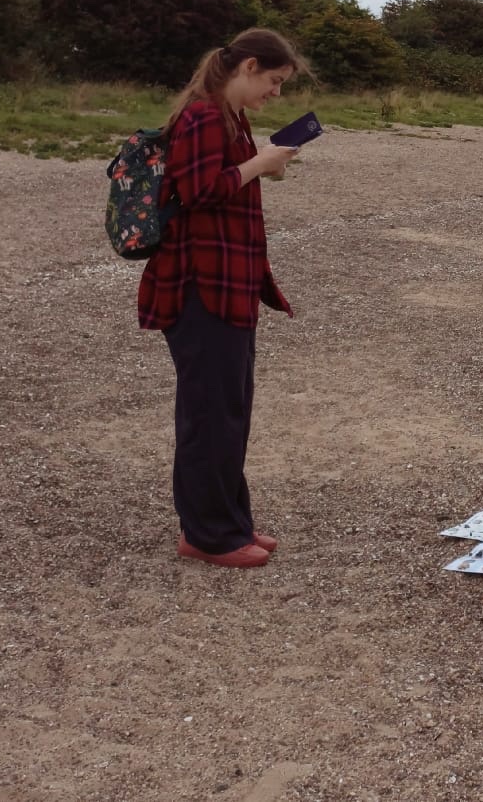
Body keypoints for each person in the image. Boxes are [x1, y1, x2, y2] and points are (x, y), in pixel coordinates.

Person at [137, 29, 307, 568]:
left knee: (229, 410)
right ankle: (208, 534)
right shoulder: (204, 116)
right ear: (249, 66)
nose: (275, 94)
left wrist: (263, 161)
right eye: (274, 82)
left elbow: (219, 184)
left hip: (227, 284)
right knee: (210, 414)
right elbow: (198, 190)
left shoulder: (229, 117)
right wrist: (260, 163)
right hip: (199, 287)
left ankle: (229, 522)